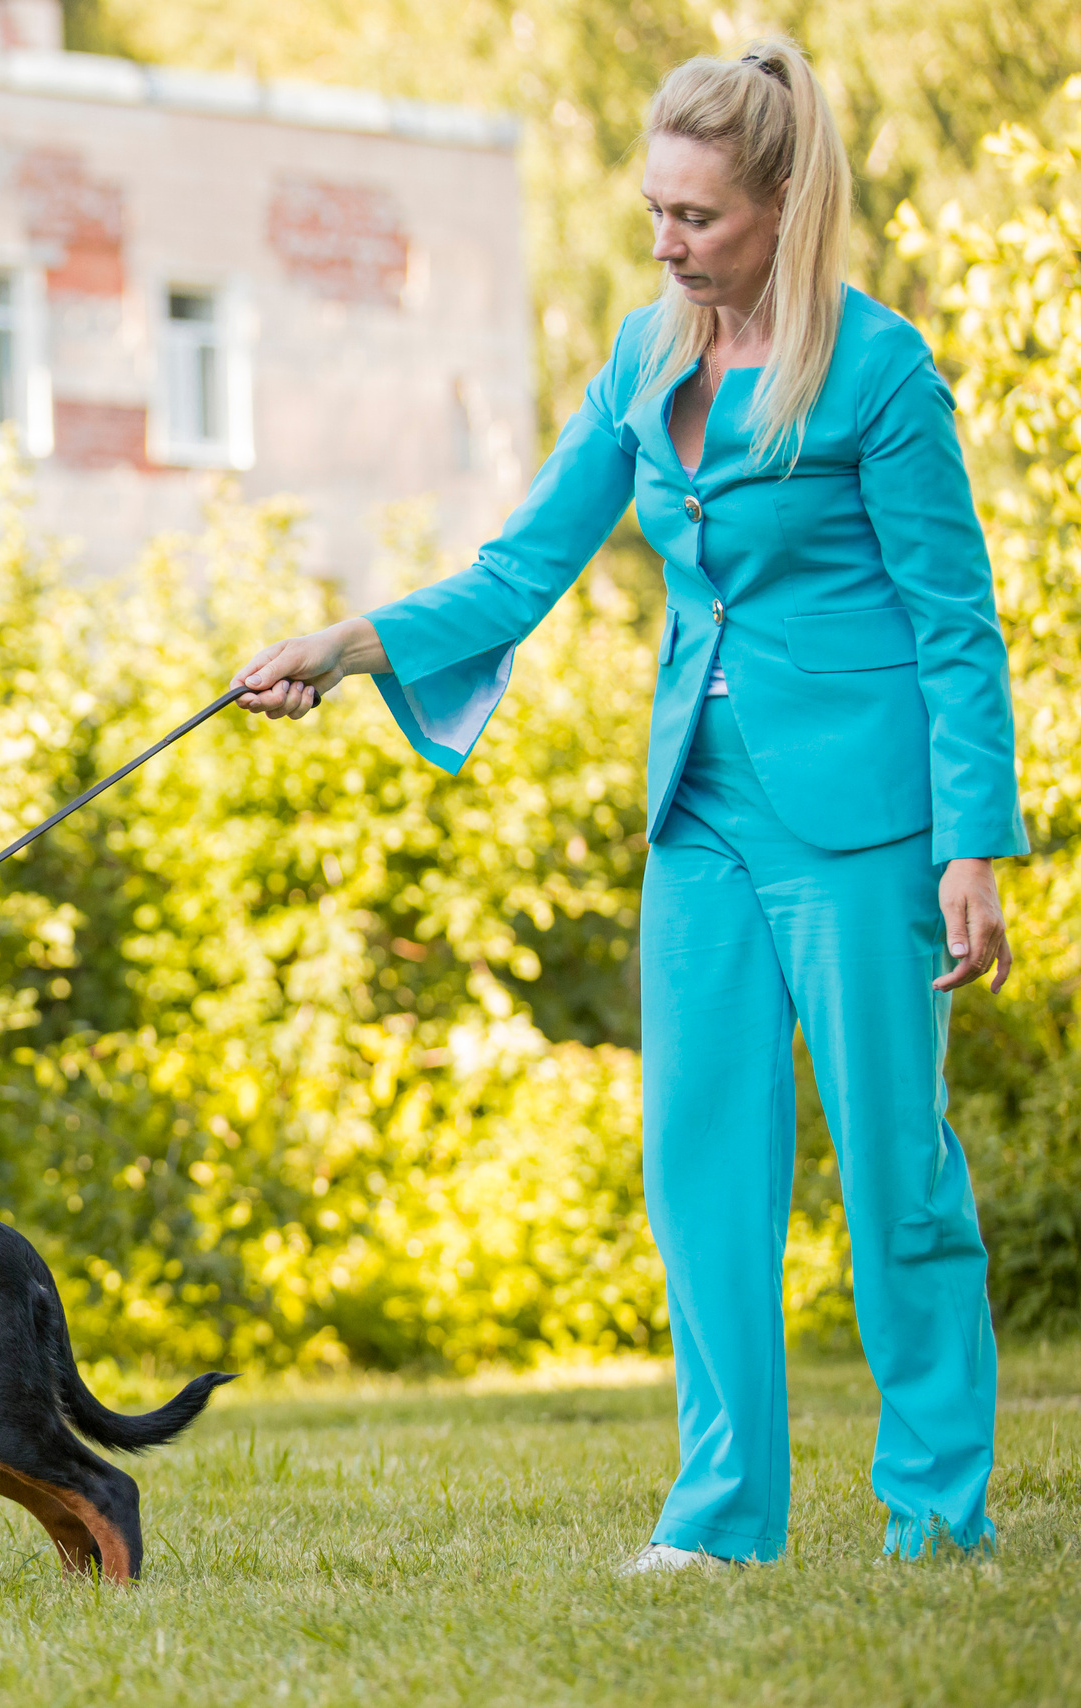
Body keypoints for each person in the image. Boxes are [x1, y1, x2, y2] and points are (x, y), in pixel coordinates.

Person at [231, 37, 1025, 1571]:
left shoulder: (878, 373)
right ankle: (724, 1518)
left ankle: (940, 1508)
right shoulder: (640, 361)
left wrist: (975, 843)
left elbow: (955, 622)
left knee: (896, 1175)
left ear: (784, 204)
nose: (667, 243)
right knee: (700, 1173)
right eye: (654, 212)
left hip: (863, 830)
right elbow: (525, 568)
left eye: (698, 218)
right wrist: (347, 649)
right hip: (702, 820)